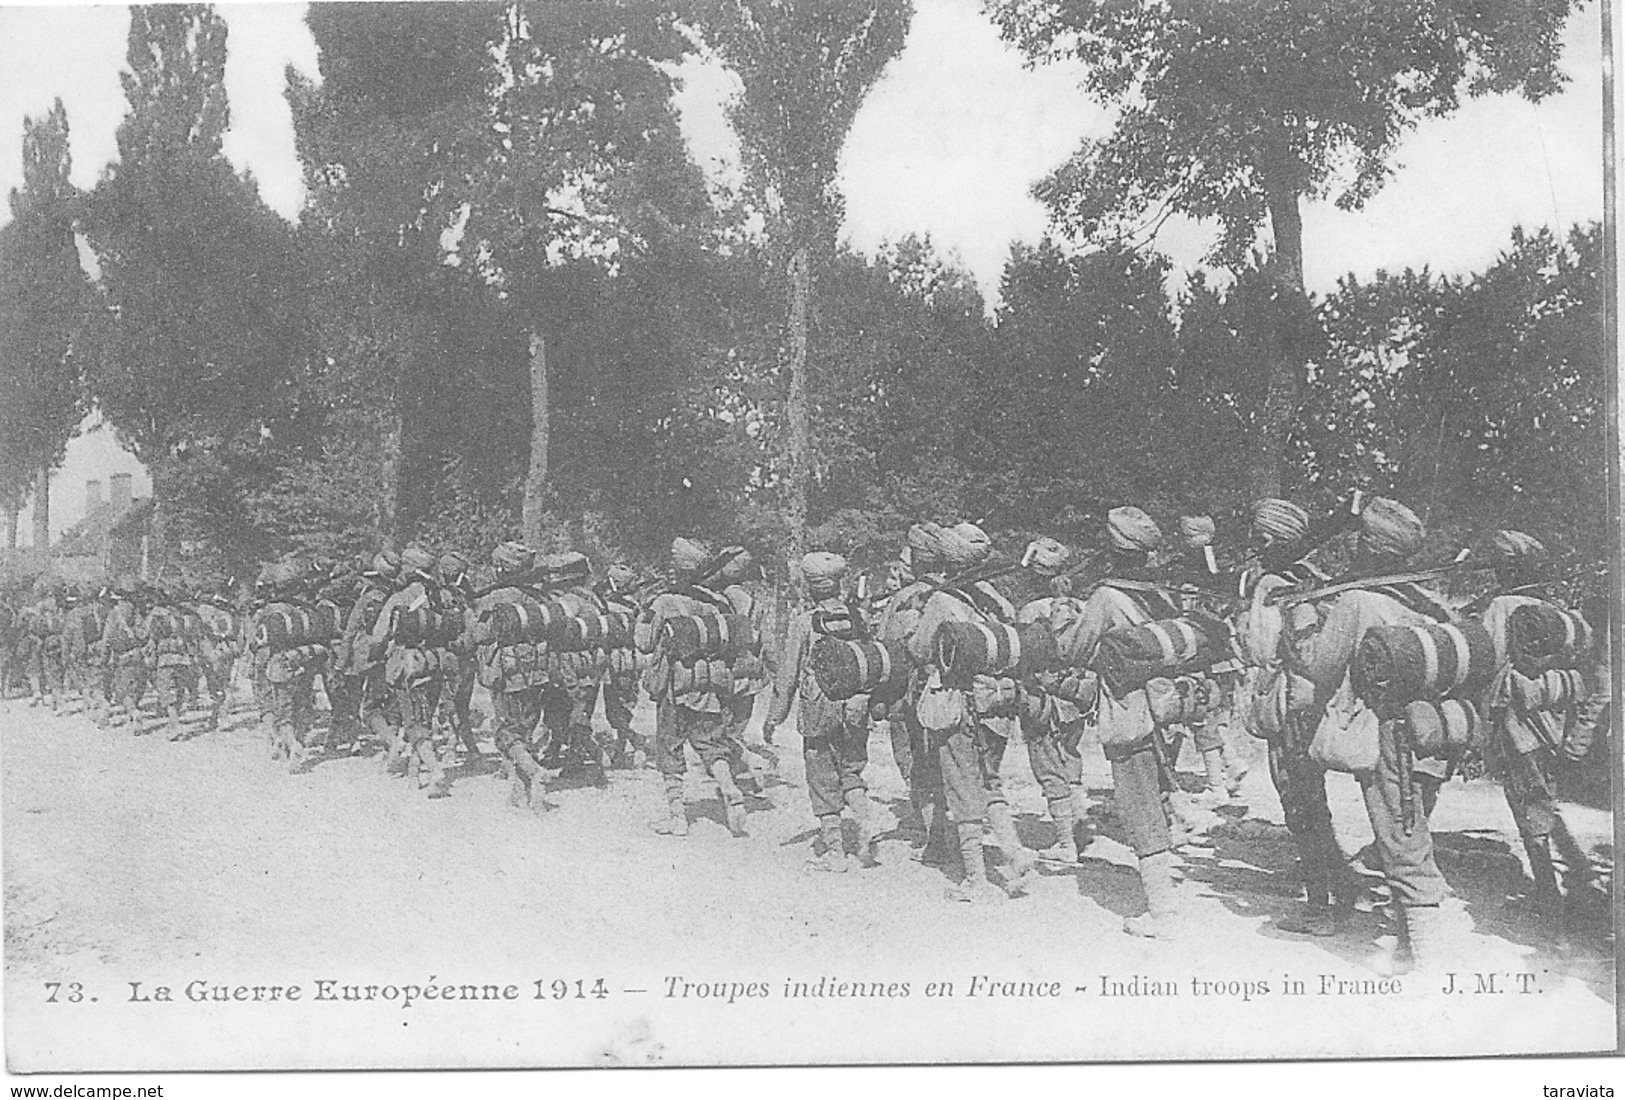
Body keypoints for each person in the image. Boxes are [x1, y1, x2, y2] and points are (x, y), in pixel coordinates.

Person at [1281, 497, 1459, 970]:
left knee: (1402, 844)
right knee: (1407, 833)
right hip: (1432, 733)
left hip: (1387, 736)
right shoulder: (1425, 601)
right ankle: (1406, 947)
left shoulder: (1358, 601)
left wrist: (1298, 623)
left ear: (1369, 546)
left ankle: (1431, 967)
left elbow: (1318, 666)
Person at [903, 521, 1036, 904]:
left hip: (959, 705)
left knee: (962, 789)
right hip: (997, 702)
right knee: (989, 782)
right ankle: (1013, 852)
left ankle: (975, 879)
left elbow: (918, 649)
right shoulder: (994, 596)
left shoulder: (943, 601)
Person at [1070, 507, 1188, 936]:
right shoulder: (1161, 593)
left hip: (1129, 711)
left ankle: (1163, 913)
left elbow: (1076, 650)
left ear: (1112, 548)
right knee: (1156, 797)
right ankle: (1167, 888)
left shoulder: (1106, 597)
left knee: (1138, 806)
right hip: (1168, 708)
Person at [1477, 530, 1602, 927]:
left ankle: (1549, 898)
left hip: (1518, 723)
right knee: (1541, 797)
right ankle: (1580, 869)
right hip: (1552, 717)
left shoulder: (1502, 605)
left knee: (1527, 805)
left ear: (1505, 568)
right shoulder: (1549, 607)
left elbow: (1488, 659)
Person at [765, 551, 883, 872]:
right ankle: (864, 822)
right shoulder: (859, 618)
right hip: (856, 707)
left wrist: (774, 717)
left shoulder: (805, 622)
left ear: (811, 587)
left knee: (822, 777)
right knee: (851, 772)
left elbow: (787, 675)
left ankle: (835, 852)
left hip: (819, 709)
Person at [639, 537, 751, 838]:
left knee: (670, 746)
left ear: (677, 568)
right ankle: (729, 788)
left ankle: (677, 817)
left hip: (675, 686)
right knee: (710, 744)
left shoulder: (665, 600)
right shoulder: (720, 602)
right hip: (710, 685)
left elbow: (644, 643)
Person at [1013, 536, 1091, 864]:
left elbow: (1022, 657)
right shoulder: (1082, 606)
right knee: (1069, 757)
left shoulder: (1032, 610)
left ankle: (1065, 842)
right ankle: (1079, 825)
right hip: (1077, 693)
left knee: (1047, 766)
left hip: (1043, 697)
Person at [471, 541, 552, 813]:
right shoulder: (539, 596)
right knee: (526, 730)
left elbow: (480, 635)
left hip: (506, 672)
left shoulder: (495, 597)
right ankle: (522, 792)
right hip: (537, 671)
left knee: (506, 733)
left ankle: (535, 771)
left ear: (501, 568)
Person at [370, 546, 456, 797]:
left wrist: (377, 654)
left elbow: (379, 635)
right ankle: (414, 774)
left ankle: (435, 769)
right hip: (435, 661)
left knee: (412, 721)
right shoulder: (443, 596)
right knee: (424, 718)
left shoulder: (399, 598)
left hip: (407, 664)